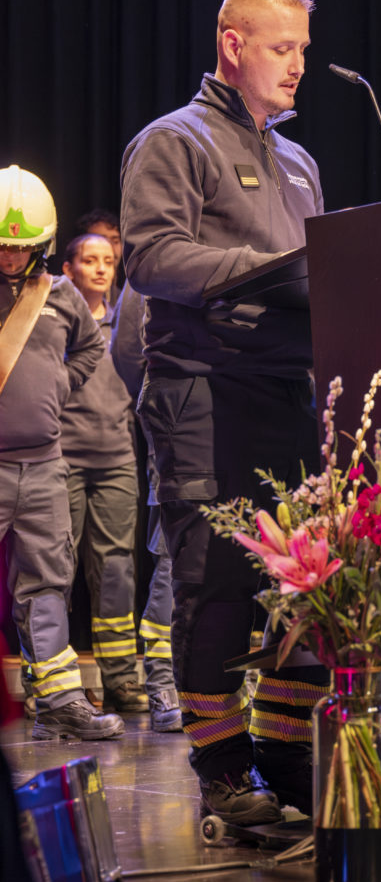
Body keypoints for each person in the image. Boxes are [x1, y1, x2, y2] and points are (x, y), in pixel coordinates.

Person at [120, 0, 329, 826]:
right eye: (282, 48)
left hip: (290, 395)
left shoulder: (300, 163)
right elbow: (150, 258)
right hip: (203, 392)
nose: (298, 65)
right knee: (214, 589)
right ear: (232, 45)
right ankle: (223, 771)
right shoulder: (173, 141)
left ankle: (285, 756)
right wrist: (262, 271)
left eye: (303, 50)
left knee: (302, 585)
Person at [0, 164, 124, 739]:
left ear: (42, 244)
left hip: (46, 465)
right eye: (2, 245)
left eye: (20, 246)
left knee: (48, 582)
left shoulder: (61, 294)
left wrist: (58, 386)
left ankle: (60, 701)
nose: (10, 255)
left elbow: (91, 350)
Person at [60, 234, 147, 715]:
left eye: (108, 261)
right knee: (58, 570)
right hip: (63, 460)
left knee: (116, 570)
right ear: (68, 269)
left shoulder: (126, 324)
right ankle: (54, 685)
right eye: (89, 260)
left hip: (116, 460)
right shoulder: (56, 322)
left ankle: (121, 680)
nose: (100, 268)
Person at [110, 280, 182, 732]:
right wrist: (161, 407)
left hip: (241, 424)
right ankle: (162, 683)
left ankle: (215, 685)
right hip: (178, 429)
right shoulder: (156, 263)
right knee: (174, 555)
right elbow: (126, 352)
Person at [75, 210, 123, 303]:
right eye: (101, 240)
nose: (109, 247)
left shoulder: (123, 299)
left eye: (115, 241)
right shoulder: (61, 298)